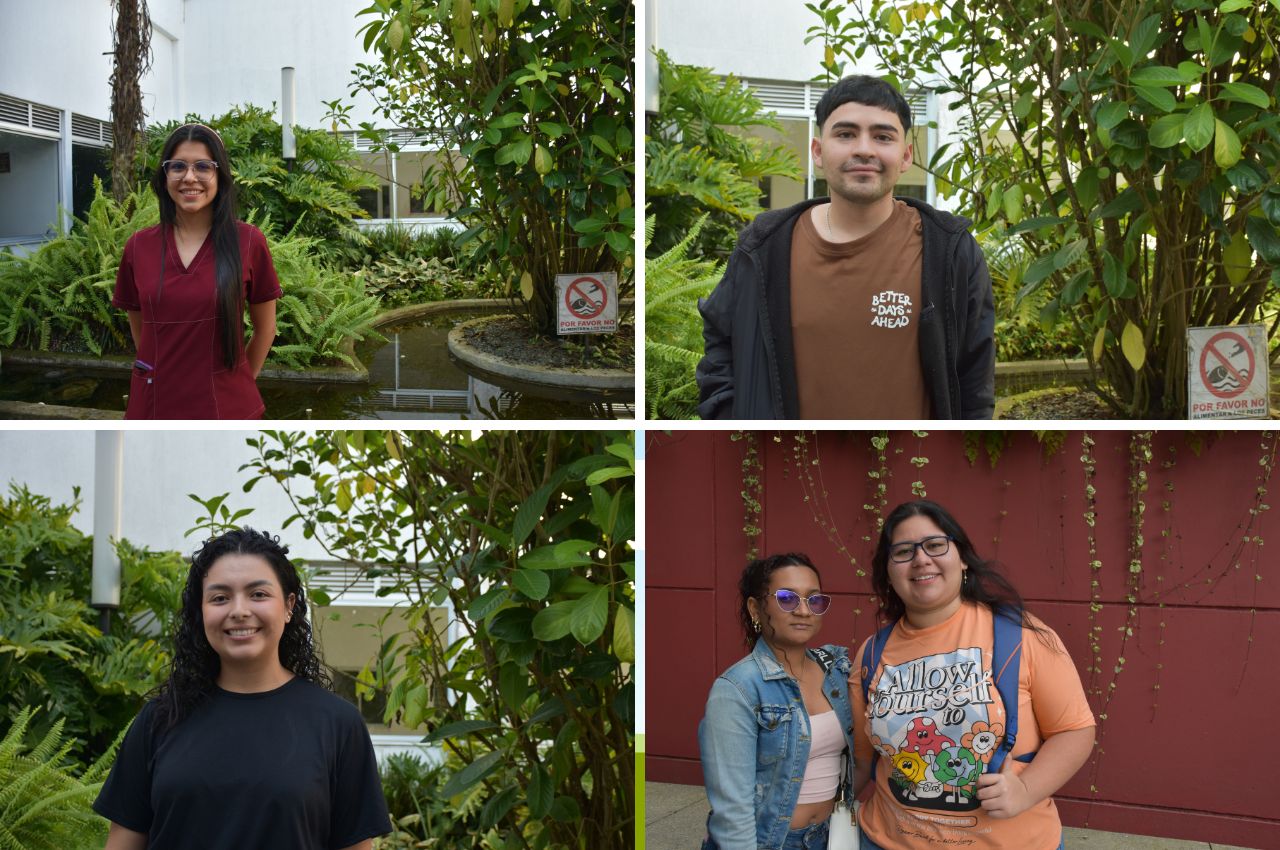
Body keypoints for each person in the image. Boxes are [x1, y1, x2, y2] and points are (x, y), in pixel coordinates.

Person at [695, 75, 995, 419]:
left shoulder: (950, 253)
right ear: (818, 152)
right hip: (785, 468)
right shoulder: (764, 247)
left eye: (883, 136)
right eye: (846, 134)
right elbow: (720, 341)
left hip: (914, 469)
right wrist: (732, 423)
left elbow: (975, 386)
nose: (864, 149)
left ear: (906, 155)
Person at [94, 528, 392, 850]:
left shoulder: (338, 724)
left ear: (289, 605)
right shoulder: (161, 719)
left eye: (258, 594)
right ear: (202, 610)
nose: (238, 610)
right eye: (220, 598)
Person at [851, 500, 1095, 850]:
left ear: (962, 558)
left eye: (935, 545)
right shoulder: (872, 653)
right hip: (885, 841)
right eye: (903, 551)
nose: (921, 559)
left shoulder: (1022, 636)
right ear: (887, 571)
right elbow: (862, 761)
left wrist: (1025, 790)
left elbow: (1075, 729)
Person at [113, 123, 281, 419]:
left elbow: (266, 329)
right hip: (154, 405)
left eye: (203, 166)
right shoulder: (139, 247)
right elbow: (144, 334)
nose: (190, 177)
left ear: (220, 175)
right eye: (178, 166)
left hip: (226, 407)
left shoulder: (249, 242)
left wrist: (237, 381)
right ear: (165, 176)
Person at [698, 553, 856, 850]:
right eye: (787, 598)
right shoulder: (737, 689)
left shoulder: (835, 672)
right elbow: (732, 812)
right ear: (755, 608)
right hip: (771, 842)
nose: (804, 610)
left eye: (814, 599)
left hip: (830, 836)